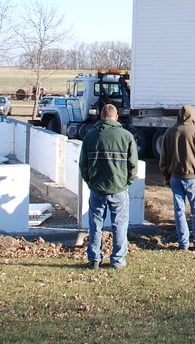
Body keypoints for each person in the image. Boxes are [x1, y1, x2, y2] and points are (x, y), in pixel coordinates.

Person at [80, 104, 139, 269]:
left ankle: (94, 259)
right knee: (119, 225)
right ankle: (118, 260)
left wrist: (90, 181)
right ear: (116, 117)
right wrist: (127, 182)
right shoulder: (126, 136)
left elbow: (83, 164)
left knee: (95, 225)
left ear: (100, 117)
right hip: (119, 188)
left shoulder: (90, 136)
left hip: (97, 188)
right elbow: (133, 165)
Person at [159, 104, 195, 251]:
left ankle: (183, 243)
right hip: (194, 178)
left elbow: (164, 158)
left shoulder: (170, 133)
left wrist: (165, 176)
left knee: (179, 210)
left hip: (175, 177)